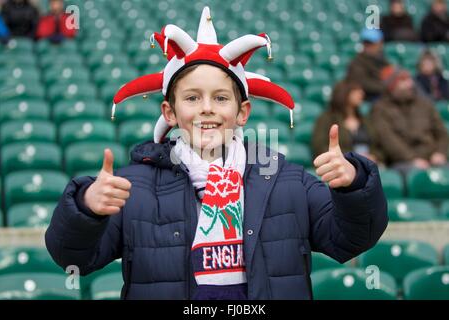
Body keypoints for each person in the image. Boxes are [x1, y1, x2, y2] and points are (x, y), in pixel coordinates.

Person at [45, 7, 388, 300]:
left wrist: (354, 186)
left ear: (242, 113)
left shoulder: (288, 179)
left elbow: (350, 240)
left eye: (221, 98)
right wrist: (86, 208)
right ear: (169, 112)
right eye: (192, 98)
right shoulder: (133, 185)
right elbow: (73, 257)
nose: (207, 109)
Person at [371, 65, 449, 175]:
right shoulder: (380, 109)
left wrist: (440, 153)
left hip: (433, 158)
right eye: (403, 80)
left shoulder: (425, 104)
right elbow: (388, 140)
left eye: (409, 79)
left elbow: (441, 133)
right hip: (403, 162)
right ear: (392, 86)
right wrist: (412, 159)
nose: (410, 84)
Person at [312, 80, 384, 164]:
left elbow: (378, 147)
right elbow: (320, 147)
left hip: (368, 165)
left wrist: (374, 156)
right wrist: (353, 157)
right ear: (344, 93)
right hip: (339, 164)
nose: (361, 93)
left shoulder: (365, 120)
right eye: (355, 90)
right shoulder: (326, 118)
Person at [346, 28, 390, 102]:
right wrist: (385, 87)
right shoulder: (357, 62)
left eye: (371, 43)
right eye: (365, 42)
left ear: (380, 43)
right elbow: (361, 82)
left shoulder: (383, 60)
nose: (368, 46)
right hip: (367, 98)